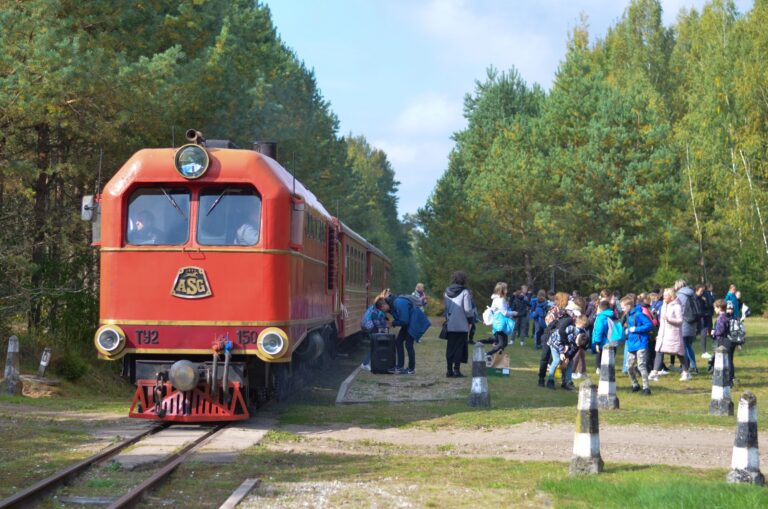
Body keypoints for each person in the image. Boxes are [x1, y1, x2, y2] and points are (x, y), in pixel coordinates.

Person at [649, 288, 690, 382]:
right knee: (659, 351)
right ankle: (655, 372)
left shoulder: (677, 306)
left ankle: (686, 372)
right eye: (663, 295)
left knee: (679, 353)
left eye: (666, 295)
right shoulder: (663, 305)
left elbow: (680, 321)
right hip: (663, 334)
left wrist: (669, 319)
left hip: (673, 334)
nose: (664, 297)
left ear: (671, 296)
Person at [387, 291, 430, 375]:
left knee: (408, 344)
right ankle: (400, 366)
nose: (383, 309)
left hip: (413, 322)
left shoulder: (399, 303)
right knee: (398, 341)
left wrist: (393, 323)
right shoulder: (393, 306)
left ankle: (411, 369)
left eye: (382, 307)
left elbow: (404, 321)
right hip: (409, 322)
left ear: (387, 303)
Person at [443, 271, 474, 378]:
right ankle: (456, 370)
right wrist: (470, 321)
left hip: (451, 323)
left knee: (450, 347)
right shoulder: (465, 292)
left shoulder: (446, 292)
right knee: (459, 347)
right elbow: (468, 309)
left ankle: (449, 370)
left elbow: (446, 309)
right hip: (462, 323)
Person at [546, 315, 587, 390]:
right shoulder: (570, 330)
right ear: (576, 337)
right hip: (555, 343)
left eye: (578, 345)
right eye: (577, 343)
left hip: (565, 346)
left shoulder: (582, 338)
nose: (577, 345)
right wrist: (561, 353)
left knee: (570, 363)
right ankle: (550, 380)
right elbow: (559, 339)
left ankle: (567, 382)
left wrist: (568, 357)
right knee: (557, 360)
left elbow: (574, 350)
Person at [624, 296, 653, 395]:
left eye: (623, 307)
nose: (622, 309)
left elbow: (649, 325)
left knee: (641, 366)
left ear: (629, 306)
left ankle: (646, 388)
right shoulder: (628, 315)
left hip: (641, 343)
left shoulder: (639, 314)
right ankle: (635, 384)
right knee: (629, 366)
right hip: (631, 344)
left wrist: (636, 329)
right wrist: (627, 331)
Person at [479, 282, 515, 358]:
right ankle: (488, 354)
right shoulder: (500, 300)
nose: (507, 290)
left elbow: (492, 310)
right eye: (505, 289)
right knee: (501, 343)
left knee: (502, 343)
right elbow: (504, 313)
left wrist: (486, 320)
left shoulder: (497, 299)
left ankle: (485, 343)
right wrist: (514, 313)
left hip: (499, 323)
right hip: (500, 323)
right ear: (502, 290)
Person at [359, 295, 391, 371]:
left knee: (377, 345)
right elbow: (378, 325)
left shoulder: (376, 309)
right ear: (382, 306)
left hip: (370, 327)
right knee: (376, 346)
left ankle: (372, 363)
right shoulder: (376, 313)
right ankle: (365, 364)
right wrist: (386, 327)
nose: (388, 306)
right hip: (370, 328)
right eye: (386, 305)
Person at [675, 280, 698, 374]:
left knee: (683, 345)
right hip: (693, 321)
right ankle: (693, 366)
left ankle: (686, 367)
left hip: (685, 322)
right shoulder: (692, 293)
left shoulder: (681, 295)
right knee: (688, 345)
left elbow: (681, 309)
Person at [711, 299, 737, 386]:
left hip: (724, 341)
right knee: (730, 360)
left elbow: (720, 331)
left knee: (727, 361)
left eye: (715, 308)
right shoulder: (727, 316)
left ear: (719, 308)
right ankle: (731, 379)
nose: (714, 310)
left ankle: (729, 381)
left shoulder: (721, 318)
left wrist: (714, 332)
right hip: (730, 341)